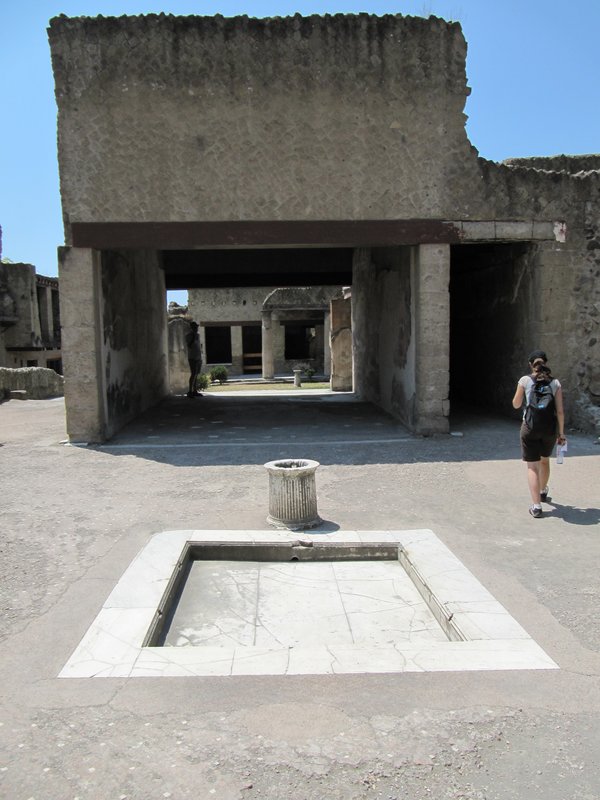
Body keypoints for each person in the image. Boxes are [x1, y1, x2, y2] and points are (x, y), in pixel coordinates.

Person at [512, 350, 566, 518]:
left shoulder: (525, 380)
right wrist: (561, 433)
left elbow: (516, 404)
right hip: (549, 429)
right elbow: (560, 411)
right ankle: (543, 491)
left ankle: (536, 506)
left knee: (532, 466)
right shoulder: (555, 383)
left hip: (530, 427)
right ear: (545, 363)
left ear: (531, 364)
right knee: (544, 460)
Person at [185, 321, 203, 398]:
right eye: (195, 327)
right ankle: (190, 391)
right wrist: (193, 337)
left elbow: (198, 345)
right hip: (192, 357)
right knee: (193, 374)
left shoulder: (198, 335)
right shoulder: (189, 335)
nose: (196, 328)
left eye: (197, 327)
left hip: (198, 357)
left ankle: (195, 390)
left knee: (196, 374)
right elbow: (189, 345)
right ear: (192, 328)